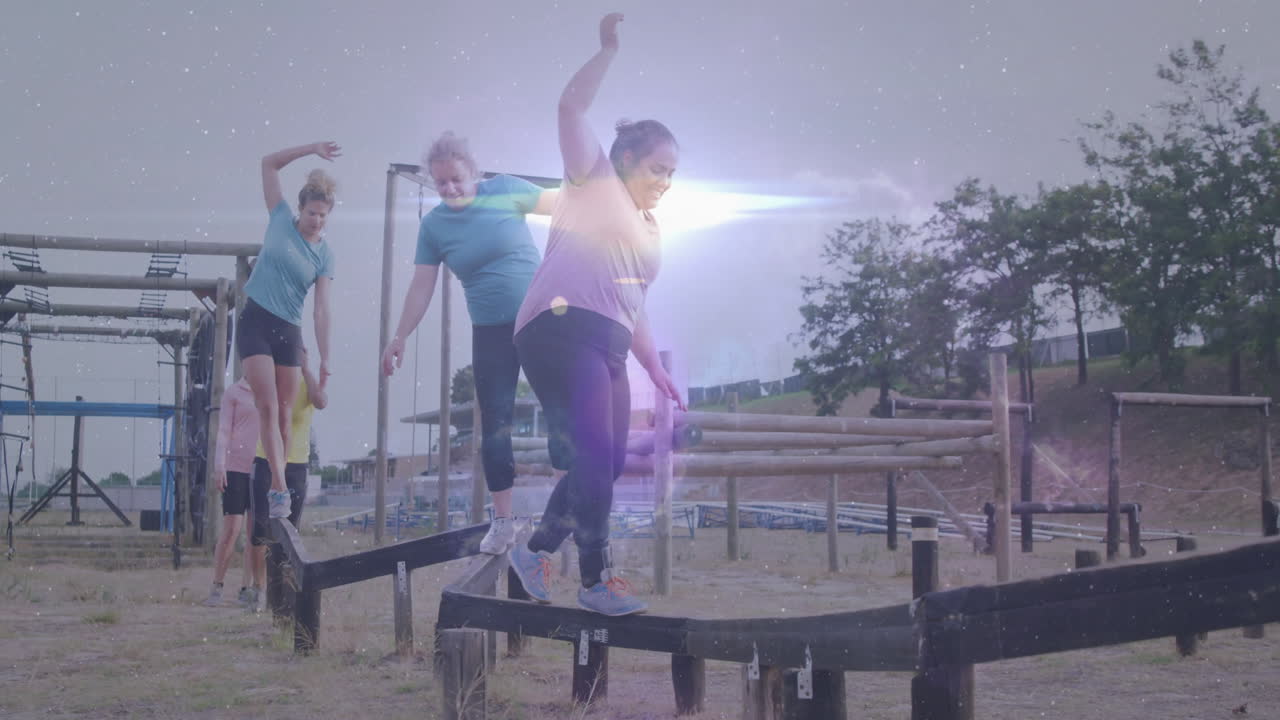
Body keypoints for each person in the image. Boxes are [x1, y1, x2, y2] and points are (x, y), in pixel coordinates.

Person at [506, 12, 685, 617]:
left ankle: (535, 551)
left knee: (605, 464)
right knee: (591, 451)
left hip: (608, 341)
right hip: (557, 326)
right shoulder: (594, 178)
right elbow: (570, 108)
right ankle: (595, 579)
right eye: (658, 168)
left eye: (672, 173)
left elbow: (633, 303)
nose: (665, 181)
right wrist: (607, 50)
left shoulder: (652, 229)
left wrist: (653, 368)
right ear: (627, 158)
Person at [382, 132, 555, 554]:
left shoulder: (506, 190)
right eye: (441, 182)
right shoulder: (434, 226)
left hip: (539, 320)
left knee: (559, 409)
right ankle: (503, 520)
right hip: (490, 331)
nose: (450, 189)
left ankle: (569, 505)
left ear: (473, 173)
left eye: (456, 179)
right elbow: (421, 287)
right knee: (494, 424)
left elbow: (563, 208)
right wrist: (400, 335)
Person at [238, 141, 338, 521]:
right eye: (312, 213)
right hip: (257, 320)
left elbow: (321, 308)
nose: (317, 221)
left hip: (288, 330)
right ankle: (278, 487)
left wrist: (325, 356)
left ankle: (277, 483)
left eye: (323, 216)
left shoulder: (324, 255)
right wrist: (311, 149)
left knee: (284, 414)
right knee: (266, 406)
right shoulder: (279, 217)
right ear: (301, 208)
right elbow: (268, 163)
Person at [246, 347, 327, 610]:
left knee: (289, 530)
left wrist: (306, 369)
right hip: (267, 461)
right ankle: (259, 588)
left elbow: (321, 401)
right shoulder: (272, 379)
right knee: (261, 529)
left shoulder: (308, 382)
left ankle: (282, 593)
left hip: (297, 464)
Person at [203, 376, 259, 607]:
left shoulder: (270, 388)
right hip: (235, 469)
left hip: (260, 469)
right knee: (232, 529)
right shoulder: (234, 392)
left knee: (255, 533)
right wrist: (219, 466)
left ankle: (247, 587)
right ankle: (217, 585)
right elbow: (224, 430)